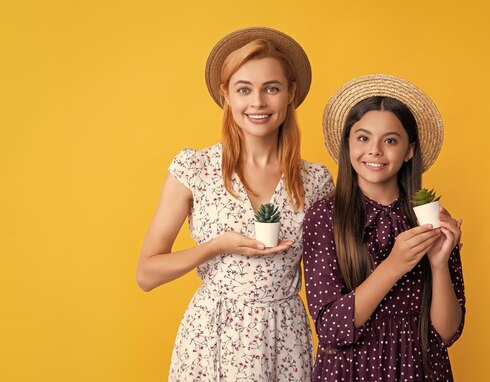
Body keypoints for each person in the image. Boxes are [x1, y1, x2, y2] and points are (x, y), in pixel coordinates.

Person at [137, 27, 333, 381]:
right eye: (244, 89)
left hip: (285, 339)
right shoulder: (193, 169)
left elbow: (332, 270)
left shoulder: (316, 180)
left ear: (291, 92)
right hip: (212, 335)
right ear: (225, 94)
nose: (257, 103)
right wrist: (217, 247)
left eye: (271, 88)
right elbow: (147, 274)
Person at [303, 74, 466, 381]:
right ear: (348, 145)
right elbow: (331, 329)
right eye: (363, 138)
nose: (375, 150)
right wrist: (393, 265)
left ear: (409, 150)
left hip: (419, 370)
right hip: (348, 371)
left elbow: (446, 333)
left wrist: (440, 263)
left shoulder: (429, 221)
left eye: (390, 140)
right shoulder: (325, 217)